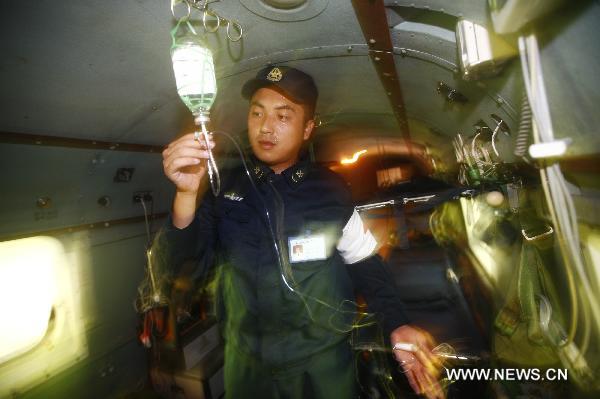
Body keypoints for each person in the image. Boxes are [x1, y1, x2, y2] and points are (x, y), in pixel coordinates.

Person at [158, 65, 444, 399]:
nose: (266, 127)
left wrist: (397, 323)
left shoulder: (332, 190)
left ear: (307, 129)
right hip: (248, 366)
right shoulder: (225, 188)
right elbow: (181, 266)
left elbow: (365, 264)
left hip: (323, 364)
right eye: (257, 113)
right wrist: (186, 194)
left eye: (283, 116)